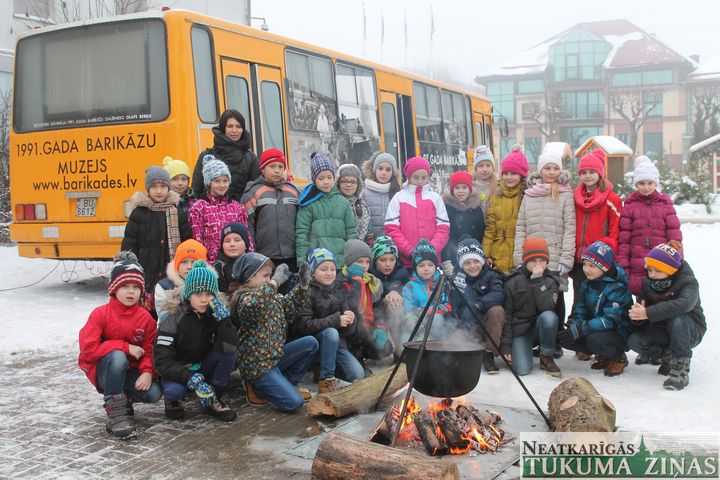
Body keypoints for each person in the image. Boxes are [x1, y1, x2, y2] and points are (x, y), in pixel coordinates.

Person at [78, 252, 162, 439]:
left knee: (154, 393)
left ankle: (123, 401)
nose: (131, 292)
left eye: (135, 287)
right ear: (114, 288)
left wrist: (148, 372)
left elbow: (149, 349)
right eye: (125, 286)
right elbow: (88, 351)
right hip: (105, 371)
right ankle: (114, 413)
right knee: (117, 356)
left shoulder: (145, 318)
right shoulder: (100, 314)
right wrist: (124, 347)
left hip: (130, 372)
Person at [154, 260, 239, 422]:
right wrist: (191, 378)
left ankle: (214, 397)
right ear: (188, 295)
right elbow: (162, 361)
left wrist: (224, 322)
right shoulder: (172, 317)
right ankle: (172, 400)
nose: (204, 300)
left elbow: (230, 347)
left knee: (229, 353)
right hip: (179, 366)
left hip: (202, 362)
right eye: (198, 294)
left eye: (209, 294)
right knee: (175, 391)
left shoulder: (215, 312)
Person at [231, 253, 317, 411]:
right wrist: (274, 282)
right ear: (249, 277)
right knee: (294, 403)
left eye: (270, 275)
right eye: (265, 275)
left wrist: (303, 286)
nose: (269, 279)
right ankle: (257, 387)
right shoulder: (244, 298)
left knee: (311, 343)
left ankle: (287, 385)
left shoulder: (271, 295)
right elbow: (253, 305)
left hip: (275, 356)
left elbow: (290, 307)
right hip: (259, 365)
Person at [627, 241, 705, 390]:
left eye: (658, 270)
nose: (652, 274)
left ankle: (681, 367)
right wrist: (638, 317)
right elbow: (644, 309)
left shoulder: (688, 281)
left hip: (690, 329)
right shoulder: (648, 283)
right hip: (662, 328)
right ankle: (667, 356)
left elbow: (684, 304)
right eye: (650, 270)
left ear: (670, 270)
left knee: (677, 318)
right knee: (635, 341)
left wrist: (648, 313)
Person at [513, 149, 575, 326]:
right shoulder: (530, 194)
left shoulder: (565, 194)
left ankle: (554, 340)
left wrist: (566, 259)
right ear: (540, 170)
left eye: (556, 168)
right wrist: (519, 256)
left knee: (555, 297)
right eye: (547, 168)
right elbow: (521, 227)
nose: (552, 172)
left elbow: (570, 228)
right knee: (534, 295)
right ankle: (538, 338)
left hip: (554, 256)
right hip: (532, 255)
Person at [293, 248, 366, 393]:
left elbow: (346, 332)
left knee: (357, 375)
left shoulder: (338, 291)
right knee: (331, 332)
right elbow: (303, 326)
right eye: (323, 269)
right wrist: (336, 320)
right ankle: (326, 380)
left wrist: (351, 321)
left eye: (332, 269)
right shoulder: (305, 292)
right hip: (312, 342)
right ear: (313, 272)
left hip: (335, 345)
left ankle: (322, 367)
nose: (329, 273)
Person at [121, 166, 192, 313]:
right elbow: (130, 243)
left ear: (168, 188)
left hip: (171, 271)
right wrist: (128, 266)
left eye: (163, 187)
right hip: (147, 270)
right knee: (148, 310)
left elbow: (186, 242)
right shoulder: (138, 213)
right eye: (154, 187)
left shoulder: (176, 212)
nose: (159, 191)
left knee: (170, 309)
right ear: (148, 189)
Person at [558, 241, 634, 376]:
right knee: (567, 337)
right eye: (585, 264)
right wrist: (575, 327)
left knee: (594, 340)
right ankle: (603, 355)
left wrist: (582, 330)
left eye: (592, 266)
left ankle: (618, 357)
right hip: (595, 329)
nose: (586, 269)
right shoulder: (587, 284)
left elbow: (611, 320)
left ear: (604, 267)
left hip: (618, 333)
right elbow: (580, 309)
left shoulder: (617, 288)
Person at [571, 149, 623, 333]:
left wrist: (606, 251)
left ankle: (596, 336)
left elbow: (615, 231)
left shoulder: (612, 199)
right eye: (583, 172)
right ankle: (579, 335)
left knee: (598, 300)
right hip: (579, 259)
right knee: (580, 298)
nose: (588, 176)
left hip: (599, 259)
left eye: (592, 172)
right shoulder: (574, 197)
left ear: (600, 173)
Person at [617, 155, 682, 298]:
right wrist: (623, 264)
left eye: (650, 183)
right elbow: (625, 239)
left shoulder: (666, 205)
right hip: (637, 263)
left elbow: (674, 235)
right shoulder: (629, 206)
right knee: (640, 301)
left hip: (660, 262)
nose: (646, 187)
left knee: (661, 300)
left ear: (655, 183)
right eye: (641, 183)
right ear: (636, 185)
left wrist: (677, 259)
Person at [501, 238, 562, 377]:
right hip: (520, 330)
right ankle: (523, 349)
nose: (538, 264)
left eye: (542, 261)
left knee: (550, 317)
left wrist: (537, 281)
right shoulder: (513, 281)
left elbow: (547, 307)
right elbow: (507, 316)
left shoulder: (551, 281)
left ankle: (546, 356)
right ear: (525, 262)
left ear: (547, 262)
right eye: (533, 260)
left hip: (539, 328)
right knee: (522, 370)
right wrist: (506, 346)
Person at [451, 236, 505, 374]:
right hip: (468, 325)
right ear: (461, 264)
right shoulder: (457, 280)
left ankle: (488, 353)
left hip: (487, 323)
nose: (472, 266)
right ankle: (468, 352)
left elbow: (499, 294)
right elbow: (453, 305)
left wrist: (478, 305)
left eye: (476, 261)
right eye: (467, 262)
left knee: (497, 310)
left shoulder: (492, 276)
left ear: (482, 260)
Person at [385, 156, 450, 268]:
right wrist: (410, 252)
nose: (420, 182)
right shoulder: (399, 197)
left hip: (431, 262)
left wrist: (431, 250)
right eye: (416, 177)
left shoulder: (435, 198)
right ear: (409, 177)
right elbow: (391, 228)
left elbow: (443, 228)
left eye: (424, 177)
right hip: (406, 262)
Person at [242, 148, 300, 272]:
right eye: (272, 166)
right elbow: (248, 227)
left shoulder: (293, 191)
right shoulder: (252, 192)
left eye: (280, 166)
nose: (277, 170)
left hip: (292, 256)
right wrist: (252, 255)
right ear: (263, 168)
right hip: (265, 257)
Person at [296, 153, 357, 266]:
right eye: (321, 178)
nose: (326, 181)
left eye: (329, 177)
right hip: (317, 263)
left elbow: (351, 233)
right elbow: (302, 234)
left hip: (340, 263)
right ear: (314, 180)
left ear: (334, 178)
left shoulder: (343, 203)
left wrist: (352, 260)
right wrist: (302, 262)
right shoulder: (308, 203)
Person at [189, 155, 252, 263]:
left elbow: (247, 238)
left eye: (225, 180)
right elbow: (197, 239)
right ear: (209, 183)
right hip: (211, 265)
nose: (222, 185)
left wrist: (250, 258)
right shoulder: (199, 208)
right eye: (217, 181)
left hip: (237, 263)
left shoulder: (237, 207)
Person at [192, 109, 260, 201]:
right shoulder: (206, 156)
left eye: (238, 126)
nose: (234, 130)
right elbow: (197, 190)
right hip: (210, 213)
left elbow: (256, 190)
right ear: (223, 128)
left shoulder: (250, 158)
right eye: (230, 126)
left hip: (243, 213)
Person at [483, 146, 529, 274]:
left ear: (521, 175)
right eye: (506, 174)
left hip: (518, 254)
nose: (509, 177)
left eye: (513, 174)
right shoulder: (496, 196)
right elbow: (490, 229)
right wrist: (486, 254)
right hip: (497, 255)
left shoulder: (526, 196)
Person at [369, 236, 410, 357]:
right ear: (375, 259)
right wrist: (387, 294)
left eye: (392, 259)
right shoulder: (369, 274)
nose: (388, 264)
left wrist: (397, 292)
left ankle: (399, 348)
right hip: (376, 316)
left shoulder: (402, 273)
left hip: (398, 317)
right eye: (383, 260)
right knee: (383, 356)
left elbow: (409, 296)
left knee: (395, 303)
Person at [402, 240, 451, 340]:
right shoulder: (410, 287)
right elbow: (408, 308)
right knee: (406, 333)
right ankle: (413, 350)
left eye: (430, 265)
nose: (426, 268)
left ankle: (436, 348)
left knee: (437, 320)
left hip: (436, 320)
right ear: (415, 268)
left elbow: (445, 305)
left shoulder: (442, 283)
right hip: (416, 319)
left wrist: (430, 312)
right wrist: (417, 314)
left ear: (436, 266)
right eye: (421, 265)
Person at [154, 239, 208, 323]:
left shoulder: (210, 284)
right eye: (184, 262)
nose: (189, 267)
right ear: (177, 265)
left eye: (194, 262)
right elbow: (165, 317)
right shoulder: (164, 286)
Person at [442, 170, 485, 270]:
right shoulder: (447, 208)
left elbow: (481, 231)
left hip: (473, 255)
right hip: (454, 255)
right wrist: (447, 259)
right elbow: (446, 236)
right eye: (457, 188)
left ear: (469, 189)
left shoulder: (476, 208)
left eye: (464, 187)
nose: (461, 191)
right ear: (452, 190)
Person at [361, 152, 403, 241]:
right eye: (380, 168)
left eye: (388, 170)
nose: (384, 173)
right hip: (370, 244)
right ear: (374, 170)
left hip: (393, 245)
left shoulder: (398, 193)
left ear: (392, 173)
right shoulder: (364, 193)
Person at [337, 163, 372, 243]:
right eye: (344, 181)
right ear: (338, 183)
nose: (348, 185)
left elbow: (369, 233)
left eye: (353, 182)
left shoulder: (362, 206)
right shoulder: (333, 203)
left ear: (358, 184)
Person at [214, 222, 250, 294]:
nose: (232, 244)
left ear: (246, 245)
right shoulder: (219, 267)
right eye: (227, 241)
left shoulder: (255, 263)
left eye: (237, 240)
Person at [472, 145, 497, 214]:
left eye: (488, 165)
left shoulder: (499, 186)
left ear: (493, 167)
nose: (485, 170)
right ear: (475, 168)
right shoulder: (470, 187)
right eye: (480, 166)